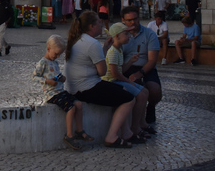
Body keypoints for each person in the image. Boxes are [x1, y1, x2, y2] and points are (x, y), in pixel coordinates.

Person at [65, 11, 135, 148]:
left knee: (121, 91)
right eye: (98, 22)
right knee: (129, 98)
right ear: (92, 26)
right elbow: (102, 72)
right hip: (86, 88)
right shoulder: (92, 43)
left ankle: (126, 132)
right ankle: (112, 136)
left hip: (75, 87)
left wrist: (104, 49)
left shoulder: (78, 39)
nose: (101, 24)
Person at [33, 35, 94, 150]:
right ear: (48, 48)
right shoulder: (43, 62)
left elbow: (57, 75)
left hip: (60, 91)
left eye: (59, 54)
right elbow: (34, 77)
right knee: (71, 108)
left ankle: (80, 130)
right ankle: (69, 135)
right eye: (56, 54)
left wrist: (62, 79)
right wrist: (47, 81)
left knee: (79, 104)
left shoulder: (54, 62)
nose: (57, 56)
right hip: (52, 95)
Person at [102, 22, 150, 143]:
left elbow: (120, 69)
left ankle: (138, 124)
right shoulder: (112, 51)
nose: (129, 36)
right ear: (117, 36)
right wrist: (128, 81)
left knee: (145, 92)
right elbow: (114, 74)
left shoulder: (119, 49)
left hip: (118, 79)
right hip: (112, 82)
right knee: (141, 95)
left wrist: (130, 61)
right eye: (126, 34)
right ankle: (135, 127)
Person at [120, 6, 162, 128]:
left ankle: (151, 106)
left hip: (145, 66)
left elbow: (152, 59)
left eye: (135, 19)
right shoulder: (120, 35)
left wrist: (141, 73)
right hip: (127, 67)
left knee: (154, 89)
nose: (133, 22)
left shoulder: (149, 34)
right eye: (129, 20)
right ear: (123, 20)